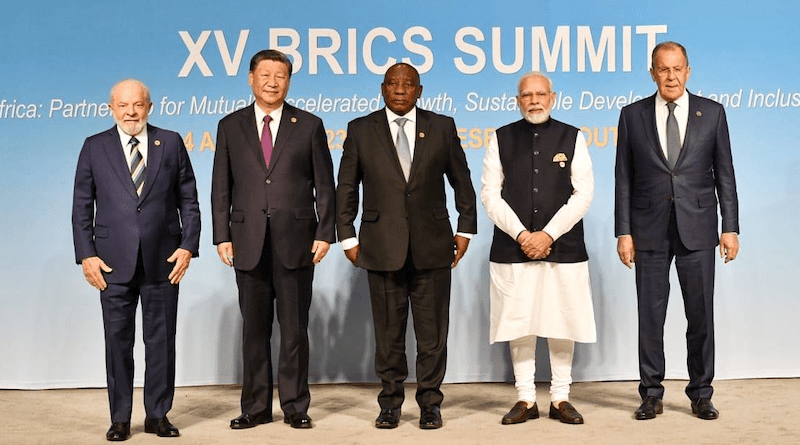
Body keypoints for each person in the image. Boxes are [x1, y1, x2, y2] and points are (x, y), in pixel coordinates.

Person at [336, 62, 477, 430]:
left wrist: (465, 230)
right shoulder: (360, 130)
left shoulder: (442, 127)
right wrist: (348, 237)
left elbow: (462, 182)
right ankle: (390, 403)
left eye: (408, 84)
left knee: (432, 336)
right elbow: (347, 188)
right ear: (383, 89)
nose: (400, 90)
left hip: (433, 247)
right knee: (388, 335)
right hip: (381, 248)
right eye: (393, 84)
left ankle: (430, 402)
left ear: (420, 90)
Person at [615, 41, 740, 421]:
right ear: (652, 72)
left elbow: (725, 175)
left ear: (688, 71)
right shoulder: (632, 115)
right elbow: (623, 178)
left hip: (699, 229)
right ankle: (651, 394)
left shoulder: (713, 113)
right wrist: (624, 232)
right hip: (648, 229)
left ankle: (701, 393)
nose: (671, 76)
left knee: (700, 316)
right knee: (650, 318)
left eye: (677, 69)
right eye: (663, 69)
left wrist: (729, 227)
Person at [211, 49, 336, 430]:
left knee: (295, 330)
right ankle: (255, 407)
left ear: (288, 81)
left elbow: (325, 185)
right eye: (264, 74)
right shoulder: (230, 126)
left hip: (297, 241)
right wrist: (221, 235)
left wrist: (324, 232)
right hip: (247, 241)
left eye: (280, 75)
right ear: (250, 78)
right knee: (254, 331)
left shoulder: (309, 124)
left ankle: (295, 407)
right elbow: (221, 186)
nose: (271, 81)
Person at [72, 79, 201, 441]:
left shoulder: (171, 142)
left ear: (150, 106)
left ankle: (158, 415)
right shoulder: (94, 147)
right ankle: (120, 418)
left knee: (161, 342)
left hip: (164, 259)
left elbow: (188, 199)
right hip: (111, 264)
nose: (131, 112)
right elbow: (82, 205)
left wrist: (188, 245)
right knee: (118, 342)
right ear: (111, 107)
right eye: (123, 105)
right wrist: (87, 255)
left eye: (138, 105)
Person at [481, 72, 596, 426]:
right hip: (513, 248)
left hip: (563, 247)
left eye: (540, 94)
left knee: (562, 321)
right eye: (527, 95)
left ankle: (560, 398)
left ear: (553, 97)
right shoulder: (500, 138)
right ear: (518, 100)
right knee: (521, 323)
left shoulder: (573, 137)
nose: (534, 100)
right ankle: (525, 398)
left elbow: (584, 194)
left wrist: (547, 234)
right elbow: (490, 193)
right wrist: (521, 235)